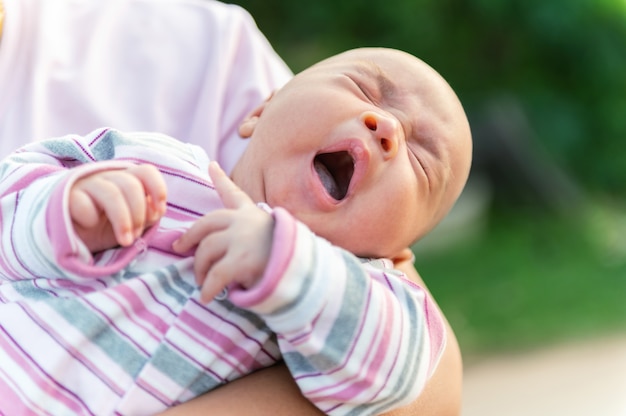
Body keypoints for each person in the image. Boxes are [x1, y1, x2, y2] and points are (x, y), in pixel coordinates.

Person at [0, 0, 463, 414]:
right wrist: (64, 209)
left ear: (401, 247)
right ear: (262, 108)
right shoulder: (149, 160)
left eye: (422, 162)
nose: (387, 130)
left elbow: (396, 380)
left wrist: (289, 265)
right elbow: (11, 202)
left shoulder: (378, 302)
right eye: (365, 89)